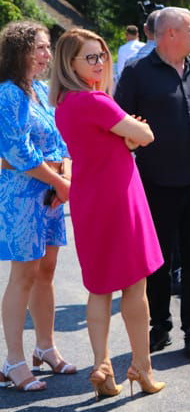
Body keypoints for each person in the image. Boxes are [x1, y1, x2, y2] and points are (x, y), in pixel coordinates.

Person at [51, 29, 166, 397]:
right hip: (119, 197)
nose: (100, 63)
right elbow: (145, 135)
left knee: (98, 287)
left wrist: (126, 135)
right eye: (90, 57)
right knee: (135, 285)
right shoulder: (96, 101)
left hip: (89, 199)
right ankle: (142, 368)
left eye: (101, 55)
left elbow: (121, 136)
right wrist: (131, 133)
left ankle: (102, 365)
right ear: (70, 64)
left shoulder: (65, 105)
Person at [115, 7, 190, 359]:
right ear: (170, 35)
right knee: (159, 262)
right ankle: (160, 325)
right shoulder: (137, 73)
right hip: (156, 183)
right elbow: (118, 125)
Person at [0, 21, 75, 392]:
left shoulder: (41, 90)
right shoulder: (8, 94)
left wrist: (64, 176)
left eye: (48, 47)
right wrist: (60, 181)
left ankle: (44, 347)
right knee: (23, 275)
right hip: (23, 197)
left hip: (49, 194)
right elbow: (17, 151)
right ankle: (13, 360)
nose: (47, 55)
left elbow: (58, 140)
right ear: (20, 52)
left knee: (46, 270)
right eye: (40, 48)